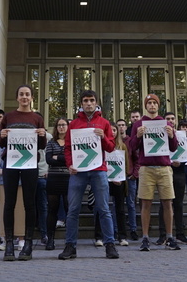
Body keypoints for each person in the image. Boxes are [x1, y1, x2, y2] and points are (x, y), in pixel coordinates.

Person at [58, 90, 119, 260]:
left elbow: (111, 148)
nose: (89, 103)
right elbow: (68, 147)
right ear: (81, 103)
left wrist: (103, 139)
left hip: (99, 170)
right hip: (78, 172)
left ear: (96, 102)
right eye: (85, 100)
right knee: (73, 210)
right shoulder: (74, 124)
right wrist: (69, 164)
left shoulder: (104, 123)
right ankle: (70, 246)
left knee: (104, 208)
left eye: (92, 100)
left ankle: (110, 245)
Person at [0, 84, 47, 261]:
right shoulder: (9, 116)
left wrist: (42, 134)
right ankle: (9, 243)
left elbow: (42, 146)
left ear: (32, 98)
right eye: (21, 94)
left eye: (27, 94)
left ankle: (28, 244)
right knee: (9, 203)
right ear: (17, 98)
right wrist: (2, 135)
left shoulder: (37, 118)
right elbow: (0, 143)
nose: (24, 97)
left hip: (30, 164)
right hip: (10, 164)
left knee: (29, 203)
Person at [128, 94, 180, 251]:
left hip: (164, 168)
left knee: (167, 202)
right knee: (146, 203)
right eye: (149, 103)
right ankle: (145, 238)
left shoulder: (165, 123)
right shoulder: (138, 124)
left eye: (154, 103)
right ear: (146, 106)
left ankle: (169, 237)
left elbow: (174, 147)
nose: (152, 105)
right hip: (146, 168)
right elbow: (132, 146)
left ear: (158, 105)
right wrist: (137, 136)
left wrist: (171, 136)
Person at [94, 121, 132, 247]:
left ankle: (122, 236)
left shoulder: (123, 147)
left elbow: (126, 164)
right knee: (102, 208)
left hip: (118, 182)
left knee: (120, 209)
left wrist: (122, 178)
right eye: (111, 130)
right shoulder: (100, 145)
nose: (113, 132)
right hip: (104, 181)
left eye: (115, 130)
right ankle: (99, 237)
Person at [156, 112, 187, 245]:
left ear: (175, 121)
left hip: (180, 172)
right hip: (165, 170)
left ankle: (180, 233)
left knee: (179, 203)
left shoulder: (182, 135)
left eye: (172, 119)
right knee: (164, 203)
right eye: (167, 119)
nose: (170, 121)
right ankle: (162, 234)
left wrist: (181, 162)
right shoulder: (159, 134)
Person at [0, 145, 26, 253]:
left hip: (20, 181)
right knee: (3, 210)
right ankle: (5, 239)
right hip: (4, 182)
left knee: (20, 211)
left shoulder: (23, 146)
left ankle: (21, 239)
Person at [45, 117, 69, 250]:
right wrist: (63, 158)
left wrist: (57, 157)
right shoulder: (51, 142)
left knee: (68, 208)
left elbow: (71, 159)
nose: (61, 127)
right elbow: (49, 160)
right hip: (53, 179)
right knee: (52, 210)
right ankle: (50, 239)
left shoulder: (71, 142)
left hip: (68, 179)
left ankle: (69, 240)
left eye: (64, 125)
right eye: (59, 125)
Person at [121, 110, 141, 240]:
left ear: (126, 127)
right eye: (118, 125)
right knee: (116, 205)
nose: (121, 127)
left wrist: (135, 174)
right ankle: (117, 229)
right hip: (116, 178)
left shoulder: (130, 141)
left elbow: (137, 158)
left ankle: (133, 229)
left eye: (123, 125)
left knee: (131, 204)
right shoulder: (112, 142)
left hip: (130, 177)